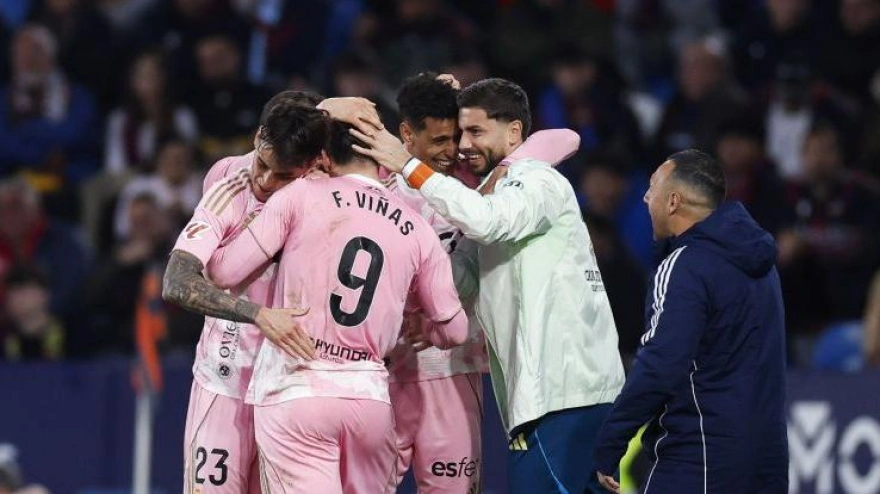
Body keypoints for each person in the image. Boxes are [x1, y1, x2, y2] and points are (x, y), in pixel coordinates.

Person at [353, 77, 625, 494]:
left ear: (515, 132)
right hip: (547, 395)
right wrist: (419, 311)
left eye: (476, 132)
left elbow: (489, 220)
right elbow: (460, 271)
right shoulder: (491, 193)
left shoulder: (534, 181)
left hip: (565, 394)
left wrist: (409, 166)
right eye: (463, 134)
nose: (463, 146)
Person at [203, 120, 469, 493]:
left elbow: (224, 272)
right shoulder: (416, 226)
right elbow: (456, 331)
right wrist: (423, 328)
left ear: (324, 157)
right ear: (382, 161)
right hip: (369, 399)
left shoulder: (301, 196)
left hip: (298, 389)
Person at [163, 92, 381, 493]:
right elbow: (176, 282)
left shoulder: (331, 192)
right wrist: (257, 315)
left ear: (316, 162)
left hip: (290, 390)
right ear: (257, 136)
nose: (264, 181)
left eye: (282, 175)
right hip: (225, 380)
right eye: (263, 163)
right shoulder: (230, 180)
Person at [592, 150, 788, 493]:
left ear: (672, 201)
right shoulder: (762, 262)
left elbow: (660, 364)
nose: (644, 197)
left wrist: (611, 440)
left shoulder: (684, 265)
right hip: (767, 456)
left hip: (700, 457)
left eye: (652, 187)